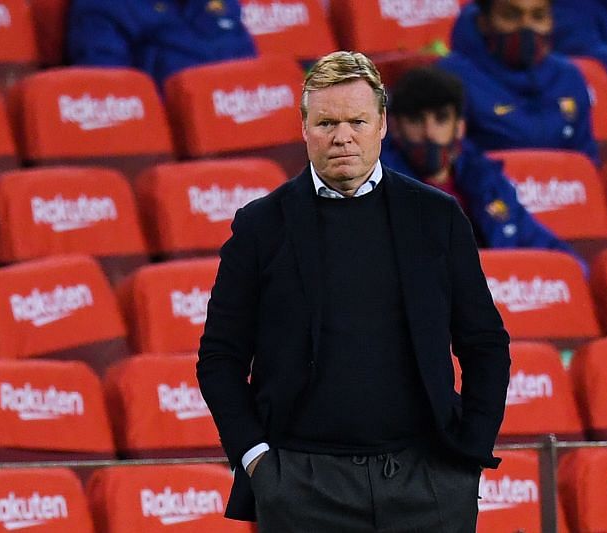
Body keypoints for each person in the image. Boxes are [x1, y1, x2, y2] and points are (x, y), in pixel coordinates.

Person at [197, 51, 511, 531]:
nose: (342, 136)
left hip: (428, 483)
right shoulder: (261, 226)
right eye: (326, 123)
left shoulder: (438, 217)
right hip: (302, 487)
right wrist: (257, 460)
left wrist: (469, 454)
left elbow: (485, 343)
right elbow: (220, 356)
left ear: (382, 124)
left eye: (357, 121)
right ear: (303, 128)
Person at [381, 66, 584, 265]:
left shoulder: (488, 181)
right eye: (416, 120)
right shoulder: (381, 189)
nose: (430, 133)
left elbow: (544, 243)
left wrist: (577, 274)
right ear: (396, 127)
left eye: (441, 119)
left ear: (459, 127)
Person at [439, 0, 599, 162]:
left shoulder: (568, 76)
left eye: (538, 16)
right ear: (484, 22)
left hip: (560, 185)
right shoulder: (451, 77)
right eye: (511, 16)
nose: (526, 27)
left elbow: (586, 162)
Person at [67, 0, 257, 88]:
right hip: (175, 153)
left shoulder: (222, 4)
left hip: (244, 130)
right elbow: (112, 94)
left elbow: (253, 73)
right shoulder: (103, 6)